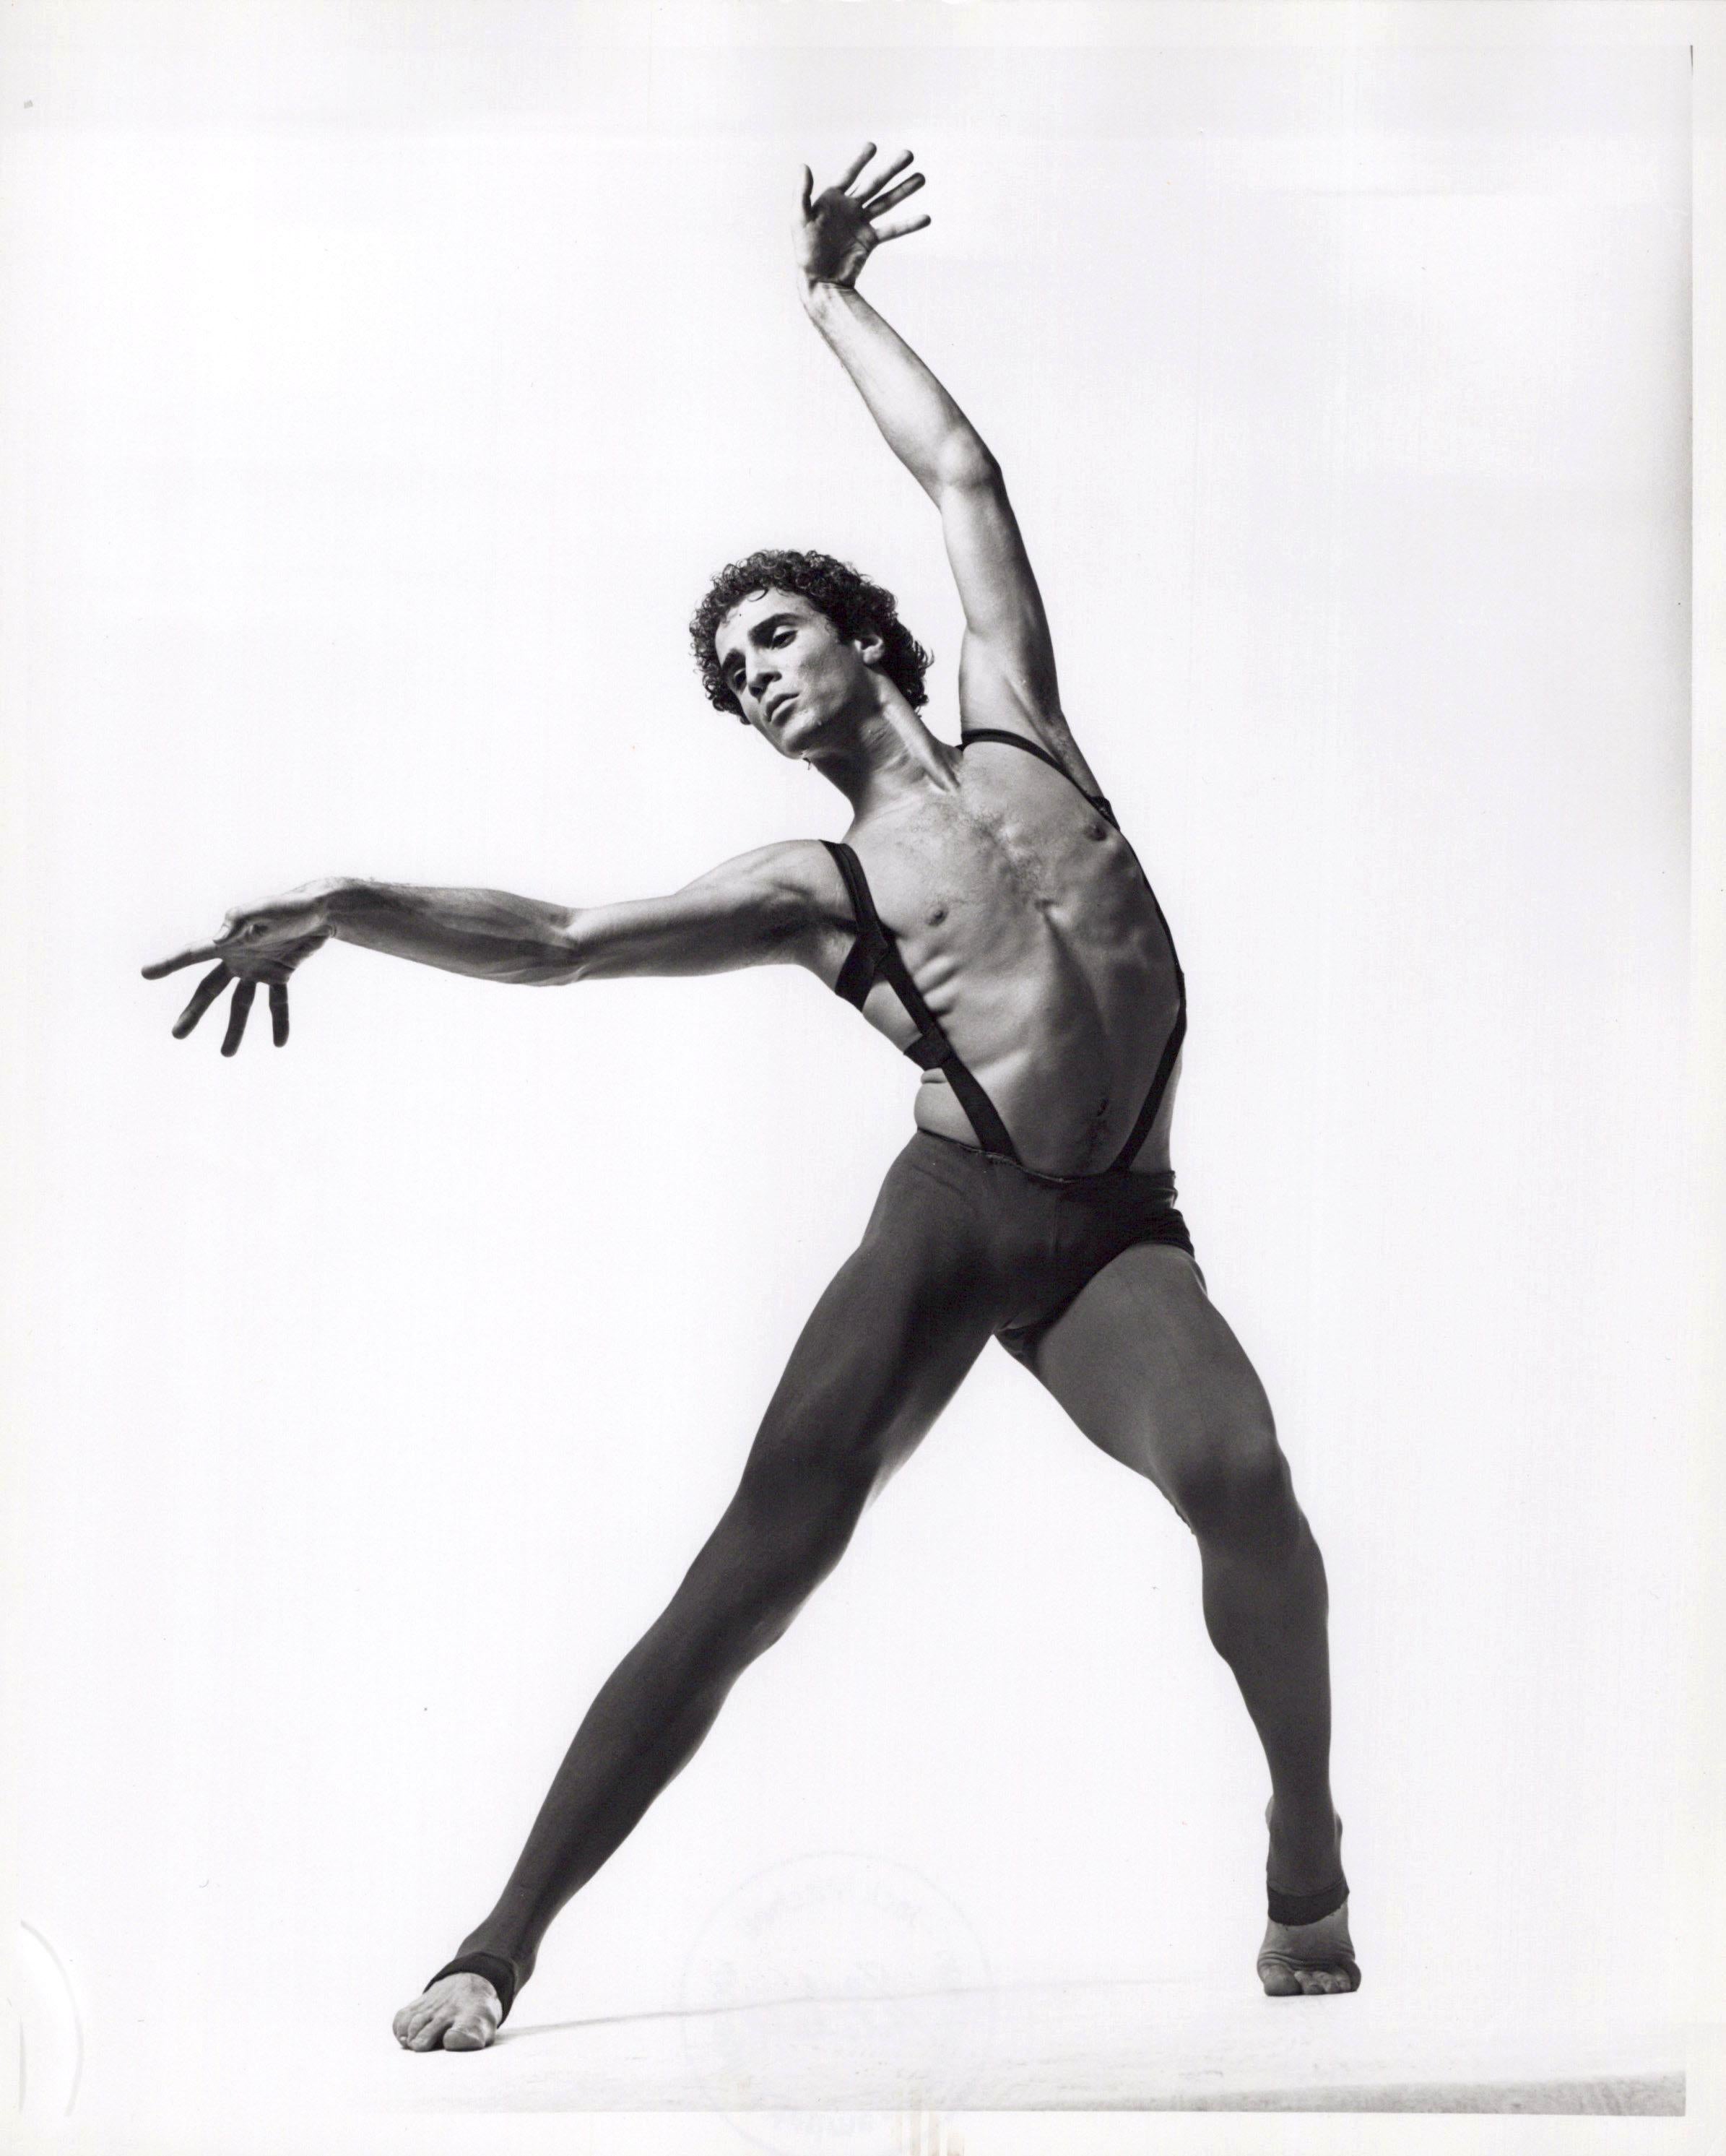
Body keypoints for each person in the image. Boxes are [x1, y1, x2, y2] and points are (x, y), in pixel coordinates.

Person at [144, 147, 1358, 2053]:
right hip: (957, 1223)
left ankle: (1308, 1845)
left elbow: (963, 471)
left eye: (773, 638)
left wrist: (827, 298)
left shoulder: (1019, 718)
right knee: (756, 1567)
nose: (756, 679)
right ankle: (500, 1935)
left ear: (860, 633)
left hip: (1120, 1228)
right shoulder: (827, 888)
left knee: (1248, 1485)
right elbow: (557, 936)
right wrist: (351, 905)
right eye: (730, 676)